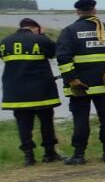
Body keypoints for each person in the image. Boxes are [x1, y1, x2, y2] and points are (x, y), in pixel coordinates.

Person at [56, 0, 105, 164]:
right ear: (95, 10)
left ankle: (79, 155)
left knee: (80, 120)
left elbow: (63, 57)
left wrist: (72, 79)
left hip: (80, 87)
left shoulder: (69, 31)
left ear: (78, 12)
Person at [1, 18, 62, 165]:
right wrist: (42, 35)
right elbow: (56, 51)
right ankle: (49, 154)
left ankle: (29, 157)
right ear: (36, 28)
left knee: (23, 125)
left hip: (16, 92)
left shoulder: (5, 41)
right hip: (41, 90)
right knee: (46, 122)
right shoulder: (40, 40)